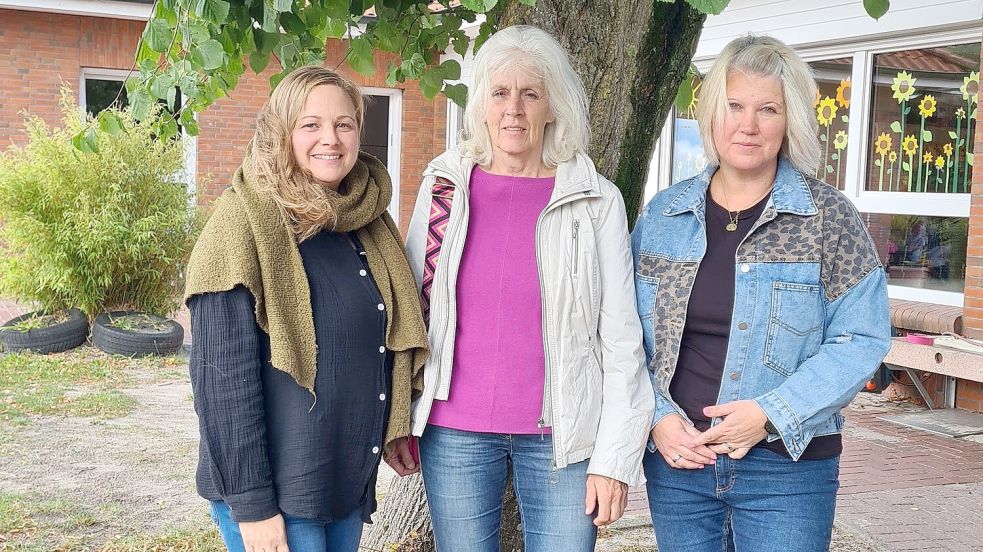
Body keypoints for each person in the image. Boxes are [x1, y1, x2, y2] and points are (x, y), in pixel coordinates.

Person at [385, 25, 654, 552]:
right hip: (454, 432)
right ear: (481, 104)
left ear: (553, 106)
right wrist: (399, 416)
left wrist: (615, 459)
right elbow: (410, 315)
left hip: (564, 436)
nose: (514, 109)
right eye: (500, 93)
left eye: (530, 94)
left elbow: (622, 339)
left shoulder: (595, 200)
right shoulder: (444, 188)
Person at [631, 35, 891, 552]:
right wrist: (657, 419)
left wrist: (770, 414)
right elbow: (624, 336)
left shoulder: (827, 218)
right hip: (680, 464)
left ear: (790, 120)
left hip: (786, 470)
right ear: (711, 114)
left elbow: (861, 338)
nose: (747, 125)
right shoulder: (664, 216)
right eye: (734, 106)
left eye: (767, 109)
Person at [183, 66, 428, 552]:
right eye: (310, 124)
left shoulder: (366, 223)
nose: (330, 139)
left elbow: (375, 342)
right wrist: (253, 506)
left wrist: (394, 423)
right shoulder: (241, 224)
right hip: (276, 500)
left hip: (341, 487)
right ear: (282, 132)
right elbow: (221, 382)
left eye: (344, 124)